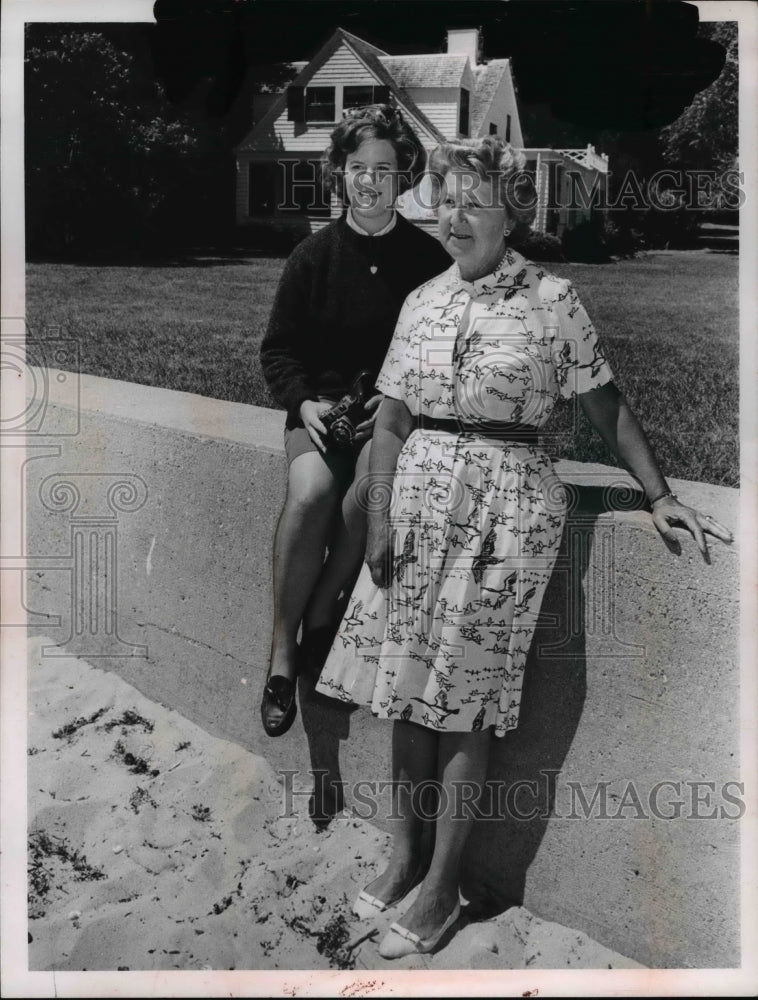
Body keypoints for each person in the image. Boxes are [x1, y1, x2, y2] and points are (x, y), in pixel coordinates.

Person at [315, 135, 733, 958]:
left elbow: (606, 407)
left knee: (467, 706)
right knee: (404, 694)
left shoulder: (553, 299)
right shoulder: (422, 301)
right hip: (421, 507)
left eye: (476, 200)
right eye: (445, 198)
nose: (457, 215)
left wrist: (661, 495)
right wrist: (385, 520)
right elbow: (393, 421)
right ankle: (402, 860)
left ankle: (442, 891)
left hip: (506, 514)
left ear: (512, 211)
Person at [259, 105, 451, 739]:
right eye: (357, 169)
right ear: (339, 173)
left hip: (389, 422)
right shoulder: (313, 255)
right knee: (312, 492)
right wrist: (305, 404)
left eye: (384, 171)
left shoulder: (427, 260)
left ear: (403, 178)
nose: (369, 181)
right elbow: (278, 350)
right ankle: (285, 658)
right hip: (317, 415)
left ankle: (321, 619)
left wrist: (396, 406)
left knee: (368, 498)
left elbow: (436, 354)